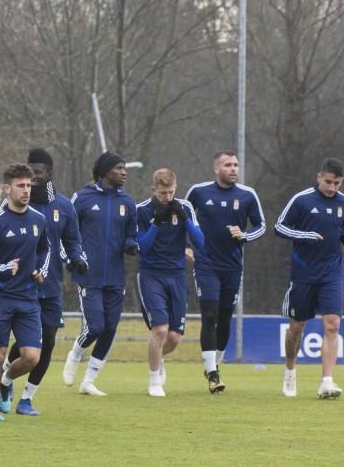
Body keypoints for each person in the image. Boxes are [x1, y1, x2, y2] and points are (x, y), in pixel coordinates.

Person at [2, 148, 85, 416]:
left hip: (51, 287)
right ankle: (7, 375)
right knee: (26, 343)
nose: (33, 179)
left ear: (49, 174)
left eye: (38, 173)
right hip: (21, 287)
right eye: (29, 172)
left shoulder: (64, 206)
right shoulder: (14, 205)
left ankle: (26, 399)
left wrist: (77, 258)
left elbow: (73, 241)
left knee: (47, 342)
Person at [185, 151, 265, 394]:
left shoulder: (247, 194)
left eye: (236, 165)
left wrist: (244, 236)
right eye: (228, 165)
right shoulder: (198, 192)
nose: (233, 169)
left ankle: (215, 362)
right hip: (206, 264)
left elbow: (261, 225)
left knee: (224, 318)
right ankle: (212, 373)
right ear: (216, 168)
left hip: (232, 267)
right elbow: (181, 218)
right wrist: (187, 246)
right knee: (209, 315)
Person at [274, 158, 344, 399]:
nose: (332, 188)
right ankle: (290, 371)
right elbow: (279, 227)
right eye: (328, 182)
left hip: (332, 273)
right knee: (297, 328)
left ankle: (326, 382)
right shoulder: (302, 200)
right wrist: (305, 235)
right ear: (319, 177)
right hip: (304, 274)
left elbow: (343, 230)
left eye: (337, 183)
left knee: (333, 324)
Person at [0, 164, 49, 421]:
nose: (26, 190)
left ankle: (6, 380)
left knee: (31, 358)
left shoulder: (39, 220)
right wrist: (4, 268)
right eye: (21, 185)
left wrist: (42, 271)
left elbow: (45, 250)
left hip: (28, 299)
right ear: (8, 188)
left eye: (29, 185)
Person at [61, 152, 138, 396]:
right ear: (105, 172)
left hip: (116, 277)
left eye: (125, 168)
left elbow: (131, 234)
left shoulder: (128, 202)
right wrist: (72, 259)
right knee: (95, 326)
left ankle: (89, 381)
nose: (124, 172)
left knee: (110, 328)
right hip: (88, 276)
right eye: (118, 168)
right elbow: (66, 233)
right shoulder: (83, 198)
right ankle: (75, 353)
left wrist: (131, 244)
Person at [135, 169, 204, 397]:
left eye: (171, 192)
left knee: (174, 337)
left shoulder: (184, 207)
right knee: (160, 330)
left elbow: (200, 242)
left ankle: (159, 358)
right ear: (154, 190)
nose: (167, 197)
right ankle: (154, 381)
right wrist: (157, 222)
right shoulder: (143, 210)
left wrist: (185, 220)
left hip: (176, 275)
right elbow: (141, 248)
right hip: (151, 274)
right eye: (163, 193)